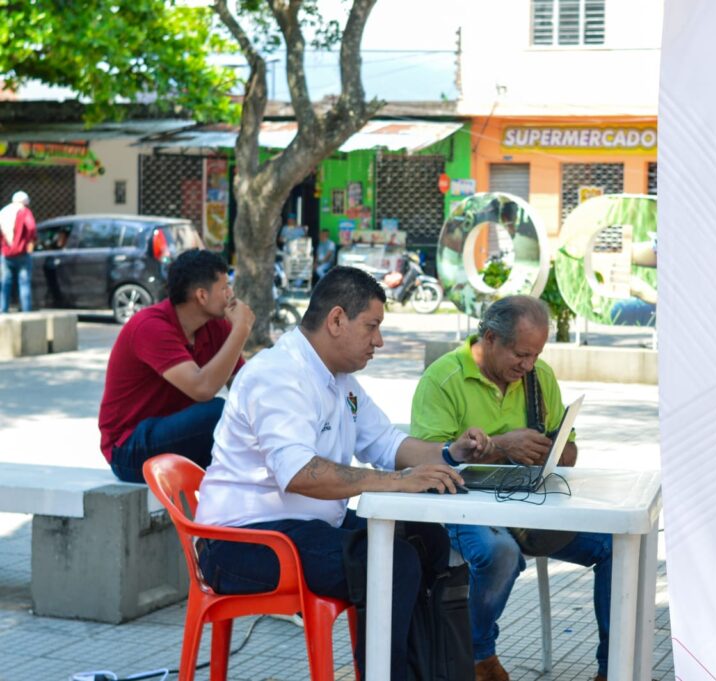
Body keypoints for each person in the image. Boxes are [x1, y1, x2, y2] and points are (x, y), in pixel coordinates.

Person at [194, 266, 491, 680]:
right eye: (372, 326)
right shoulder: (277, 374)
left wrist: (449, 453)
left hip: (304, 529)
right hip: (243, 542)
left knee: (427, 539)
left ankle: (428, 672)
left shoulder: (340, 380)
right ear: (336, 320)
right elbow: (300, 473)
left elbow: (386, 443)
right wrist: (398, 482)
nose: (379, 341)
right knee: (393, 563)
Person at [410, 295, 613, 681]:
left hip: (528, 506)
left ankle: (612, 667)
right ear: (490, 338)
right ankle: (478, 656)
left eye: (536, 355)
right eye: (521, 354)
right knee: (499, 552)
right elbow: (427, 465)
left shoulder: (539, 378)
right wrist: (503, 446)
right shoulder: (443, 378)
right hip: (462, 505)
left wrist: (551, 450)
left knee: (615, 542)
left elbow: (570, 452)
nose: (529, 365)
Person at [98, 249, 254, 483]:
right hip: (129, 449)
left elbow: (245, 390)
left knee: (247, 426)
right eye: (225, 288)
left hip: (181, 439)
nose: (231, 295)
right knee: (216, 412)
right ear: (202, 295)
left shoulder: (216, 326)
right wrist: (241, 330)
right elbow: (202, 389)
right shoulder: (151, 327)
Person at [0, 191, 37, 312]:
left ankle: (3, 310)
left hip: (6, 253)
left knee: (5, 283)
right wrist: (30, 241)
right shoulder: (24, 211)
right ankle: (26, 311)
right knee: (24, 283)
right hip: (22, 253)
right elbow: (31, 227)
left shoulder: (3, 212)